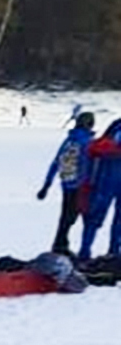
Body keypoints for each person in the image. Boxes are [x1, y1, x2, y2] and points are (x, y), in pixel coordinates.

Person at [38, 111, 95, 255]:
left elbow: (56, 161)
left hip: (66, 183)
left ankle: (60, 244)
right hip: (80, 186)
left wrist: (47, 185)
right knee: (77, 216)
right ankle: (64, 246)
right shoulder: (86, 142)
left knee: (66, 215)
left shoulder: (69, 140)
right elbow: (86, 165)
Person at [78, 120, 121, 260]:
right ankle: (113, 251)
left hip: (104, 179)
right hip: (109, 177)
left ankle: (85, 252)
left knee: (94, 218)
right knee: (116, 219)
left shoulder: (115, 126)